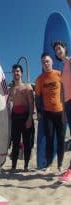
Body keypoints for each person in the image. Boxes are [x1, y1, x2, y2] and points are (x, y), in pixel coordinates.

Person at [35, 53, 65, 172]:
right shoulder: (40, 79)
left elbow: (66, 90)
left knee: (61, 139)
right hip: (47, 113)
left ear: (52, 62)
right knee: (50, 139)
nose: (45, 63)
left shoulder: (59, 74)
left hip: (61, 112)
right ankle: (48, 164)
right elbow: (37, 97)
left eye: (47, 61)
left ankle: (60, 164)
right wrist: (39, 112)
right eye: (43, 62)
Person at [7, 64, 35, 172]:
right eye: (14, 71)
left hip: (25, 116)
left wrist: (29, 118)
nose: (16, 73)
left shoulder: (27, 87)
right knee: (15, 142)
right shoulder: (11, 90)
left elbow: (31, 104)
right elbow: (7, 104)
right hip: (15, 118)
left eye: (18, 71)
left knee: (27, 143)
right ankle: (13, 166)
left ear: (21, 73)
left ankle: (26, 166)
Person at [53, 40, 71, 182]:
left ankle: (70, 170)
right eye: (56, 50)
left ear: (65, 48)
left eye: (59, 48)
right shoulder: (63, 67)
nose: (58, 51)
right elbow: (64, 90)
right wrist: (64, 110)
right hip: (68, 103)